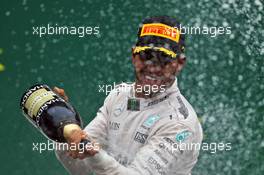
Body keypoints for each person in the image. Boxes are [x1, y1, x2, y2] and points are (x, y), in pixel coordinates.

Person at [54, 16, 203, 175]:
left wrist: (93, 153)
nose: (153, 68)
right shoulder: (119, 96)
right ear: (134, 56)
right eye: (146, 56)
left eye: (163, 60)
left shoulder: (181, 124)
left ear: (180, 63)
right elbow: (79, 167)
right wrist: (63, 122)